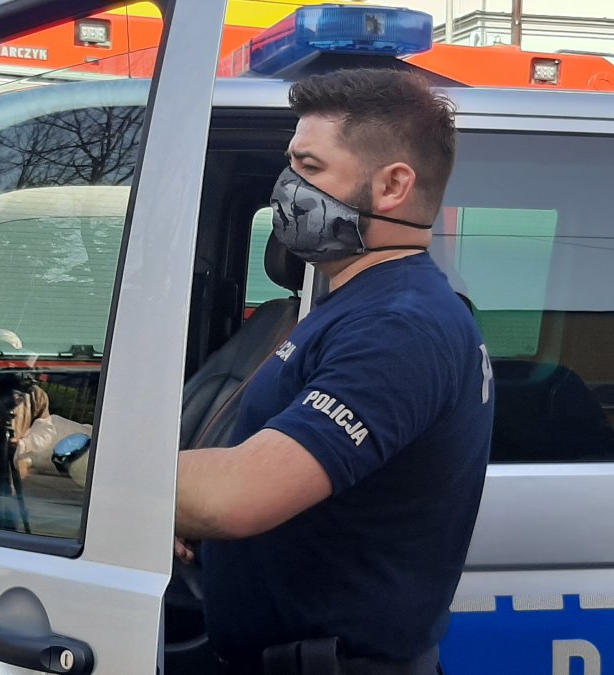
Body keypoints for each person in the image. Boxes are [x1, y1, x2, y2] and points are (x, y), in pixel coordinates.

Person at [175, 68, 494, 675]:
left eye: (310, 168)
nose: (286, 188)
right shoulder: (360, 306)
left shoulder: (401, 325)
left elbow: (241, 496)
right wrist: (189, 510)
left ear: (394, 184)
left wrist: (79, 459)